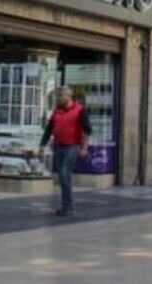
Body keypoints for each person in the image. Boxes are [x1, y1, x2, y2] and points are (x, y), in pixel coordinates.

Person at [40, 86, 92, 216]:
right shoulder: (57, 111)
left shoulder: (80, 110)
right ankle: (67, 205)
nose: (57, 98)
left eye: (60, 96)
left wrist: (84, 148)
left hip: (72, 147)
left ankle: (67, 206)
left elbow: (87, 130)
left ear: (68, 97)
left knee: (64, 173)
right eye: (57, 96)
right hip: (58, 146)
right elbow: (49, 129)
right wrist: (42, 145)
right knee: (63, 176)